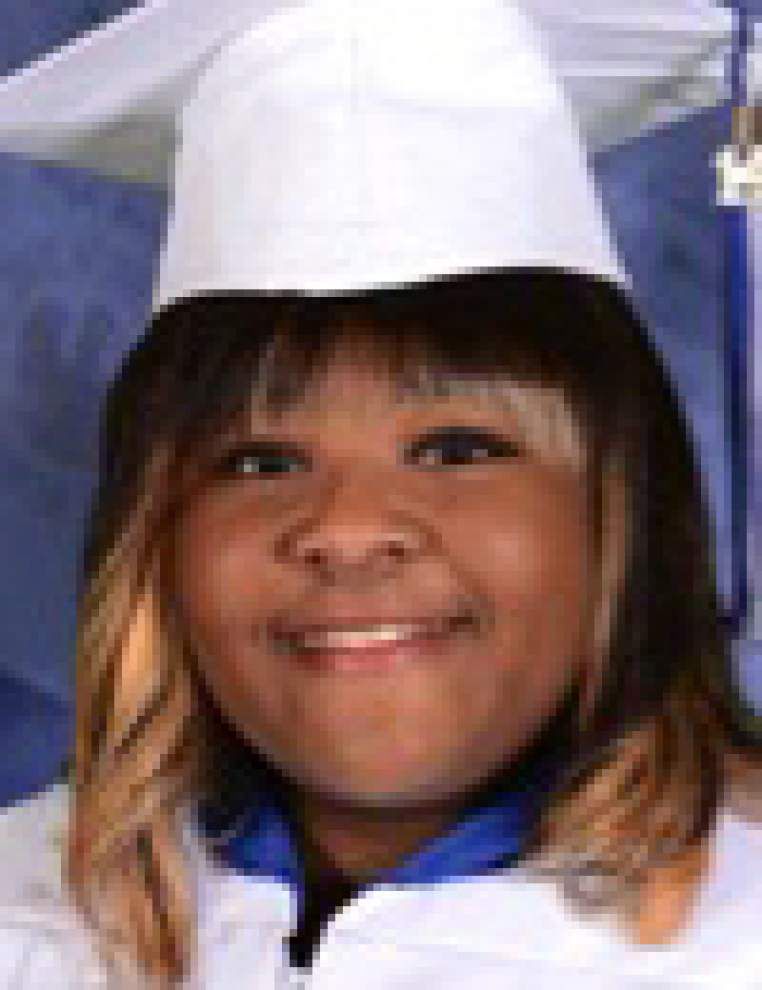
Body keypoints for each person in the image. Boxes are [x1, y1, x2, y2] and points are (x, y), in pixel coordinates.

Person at [0, 2, 759, 988]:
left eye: (457, 448)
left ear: (625, 511)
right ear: (150, 541)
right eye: (261, 463)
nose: (348, 528)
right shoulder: (28, 923)